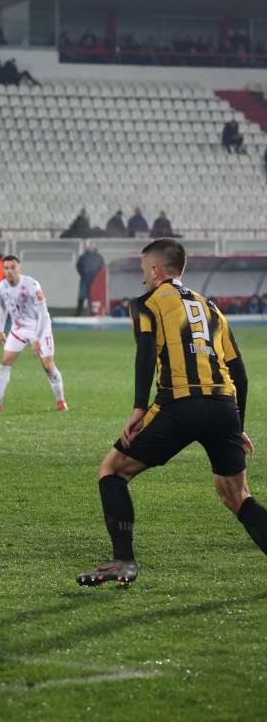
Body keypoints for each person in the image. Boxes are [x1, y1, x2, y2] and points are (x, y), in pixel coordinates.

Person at [76, 239, 264, 586]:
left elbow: (146, 353)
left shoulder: (147, 303)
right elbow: (239, 373)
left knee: (112, 471)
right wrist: (238, 425)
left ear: (155, 270)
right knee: (237, 495)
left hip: (179, 403)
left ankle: (123, 561)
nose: (142, 277)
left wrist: (138, 407)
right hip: (224, 405)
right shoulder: (210, 307)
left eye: (143, 270)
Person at [0, 256, 67, 414]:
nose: (9, 271)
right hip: (18, 328)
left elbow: (43, 314)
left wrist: (37, 340)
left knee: (48, 366)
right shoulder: (1, 287)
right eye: (6, 268)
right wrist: (0, 330)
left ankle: (61, 401)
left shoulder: (31, 285)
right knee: (5, 362)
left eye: (12, 267)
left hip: (39, 327)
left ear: (19, 268)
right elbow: (2, 308)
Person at [75, 240, 105, 316]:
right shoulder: (83, 256)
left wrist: (97, 277)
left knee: (93, 296)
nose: (92, 246)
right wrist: (83, 274)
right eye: (91, 245)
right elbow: (78, 266)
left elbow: (101, 267)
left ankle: (93, 313)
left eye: (93, 245)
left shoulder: (99, 257)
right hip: (85, 278)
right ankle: (78, 313)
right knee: (82, 295)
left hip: (94, 279)